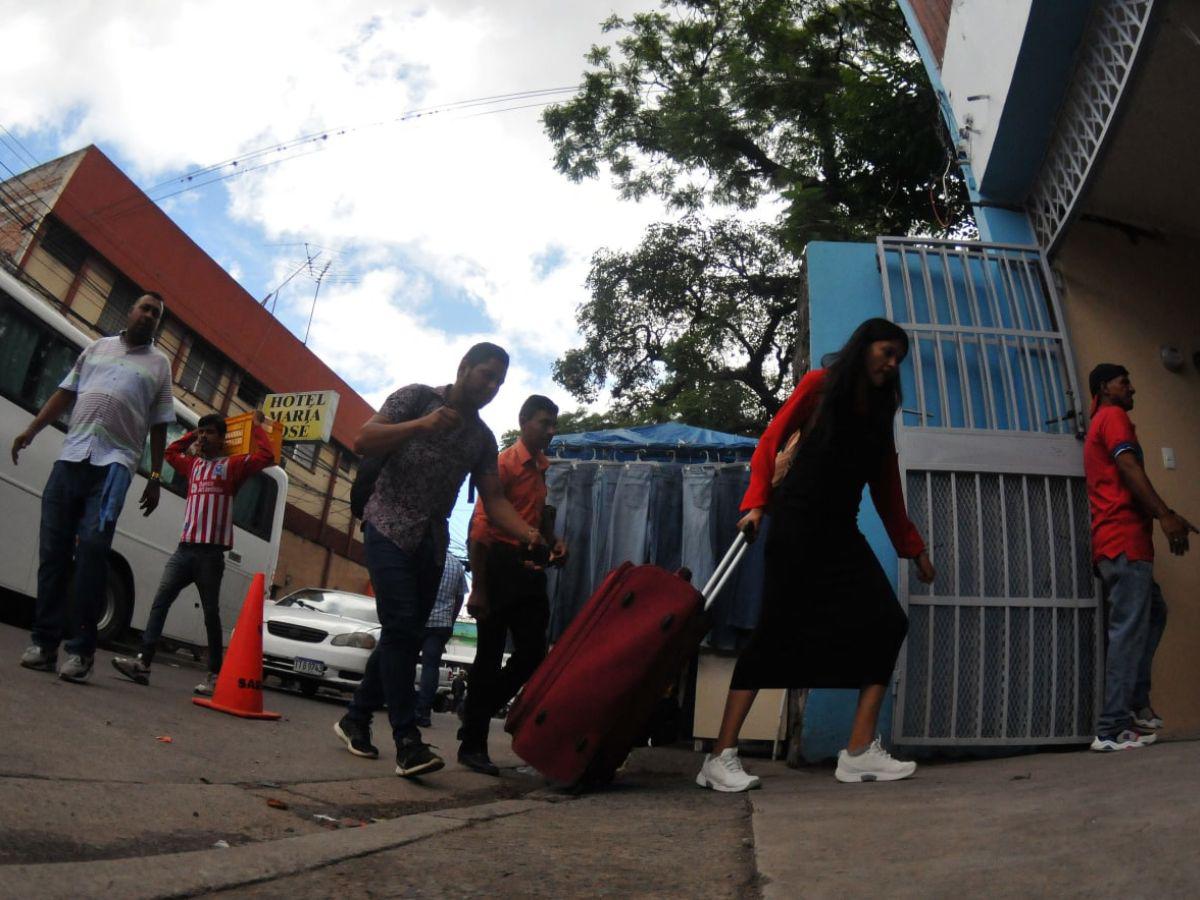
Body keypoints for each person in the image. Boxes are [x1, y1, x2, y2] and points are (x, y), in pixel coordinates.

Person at [696, 318, 936, 792]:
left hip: (840, 532)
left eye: (898, 360)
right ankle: (719, 756)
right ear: (864, 345)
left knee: (888, 621)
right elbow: (770, 441)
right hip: (797, 523)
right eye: (887, 352)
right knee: (774, 632)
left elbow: (886, 486)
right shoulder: (820, 386)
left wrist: (913, 548)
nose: (892, 365)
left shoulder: (881, 410)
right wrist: (756, 504)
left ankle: (859, 750)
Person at [332, 343, 546, 778]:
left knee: (405, 634)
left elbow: (495, 500)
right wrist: (421, 425)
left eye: (499, 382)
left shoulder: (482, 438)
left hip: (430, 539)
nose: (491, 387)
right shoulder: (416, 398)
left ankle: (355, 717)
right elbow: (362, 440)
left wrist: (530, 534)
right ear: (463, 368)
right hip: (387, 521)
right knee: (402, 625)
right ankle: (408, 741)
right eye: (485, 375)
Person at [13, 292, 174, 683]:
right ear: (130, 311)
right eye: (145, 308)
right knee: (53, 552)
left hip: (114, 466)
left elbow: (159, 424)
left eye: (156, 314)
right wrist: (31, 431)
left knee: (93, 551)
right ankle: (44, 644)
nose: (149, 316)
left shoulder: (159, 365)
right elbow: (65, 394)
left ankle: (81, 651)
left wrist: (154, 477)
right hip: (71, 458)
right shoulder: (96, 349)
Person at [111, 411, 276, 694]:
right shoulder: (193, 465)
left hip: (210, 556)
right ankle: (143, 663)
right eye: (201, 432)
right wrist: (193, 434)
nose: (203, 436)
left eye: (210, 432)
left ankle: (214, 675)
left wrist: (257, 428)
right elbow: (170, 451)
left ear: (222, 439)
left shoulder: (232, 466)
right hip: (184, 549)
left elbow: (266, 457)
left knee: (210, 613)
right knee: (161, 601)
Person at [1084, 363, 1195, 752]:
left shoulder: (1102, 421)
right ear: (1104, 387)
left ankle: (1133, 703)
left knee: (1154, 613)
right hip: (1124, 543)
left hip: (1118, 544)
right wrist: (1164, 515)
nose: (1132, 389)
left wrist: (1168, 514)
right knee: (1128, 631)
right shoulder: (1112, 416)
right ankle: (1111, 728)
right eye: (1124, 382)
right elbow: (1128, 466)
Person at [458, 394, 567, 776]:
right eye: (543, 423)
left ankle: (475, 711)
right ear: (523, 422)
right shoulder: (504, 463)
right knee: (487, 657)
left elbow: (536, 519)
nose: (550, 431)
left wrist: (555, 543)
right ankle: (472, 745)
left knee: (533, 654)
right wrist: (479, 588)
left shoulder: (540, 468)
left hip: (529, 571)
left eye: (554, 425)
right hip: (498, 566)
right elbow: (480, 530)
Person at [415, 551, 468, 727]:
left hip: (417, 618)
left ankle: (403, 706)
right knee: (431, 667)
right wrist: (450, 621)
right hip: (441, 624)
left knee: (405, 661)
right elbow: (460, 597)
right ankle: (423, 713)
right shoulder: (457, 566)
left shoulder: (423, 556)